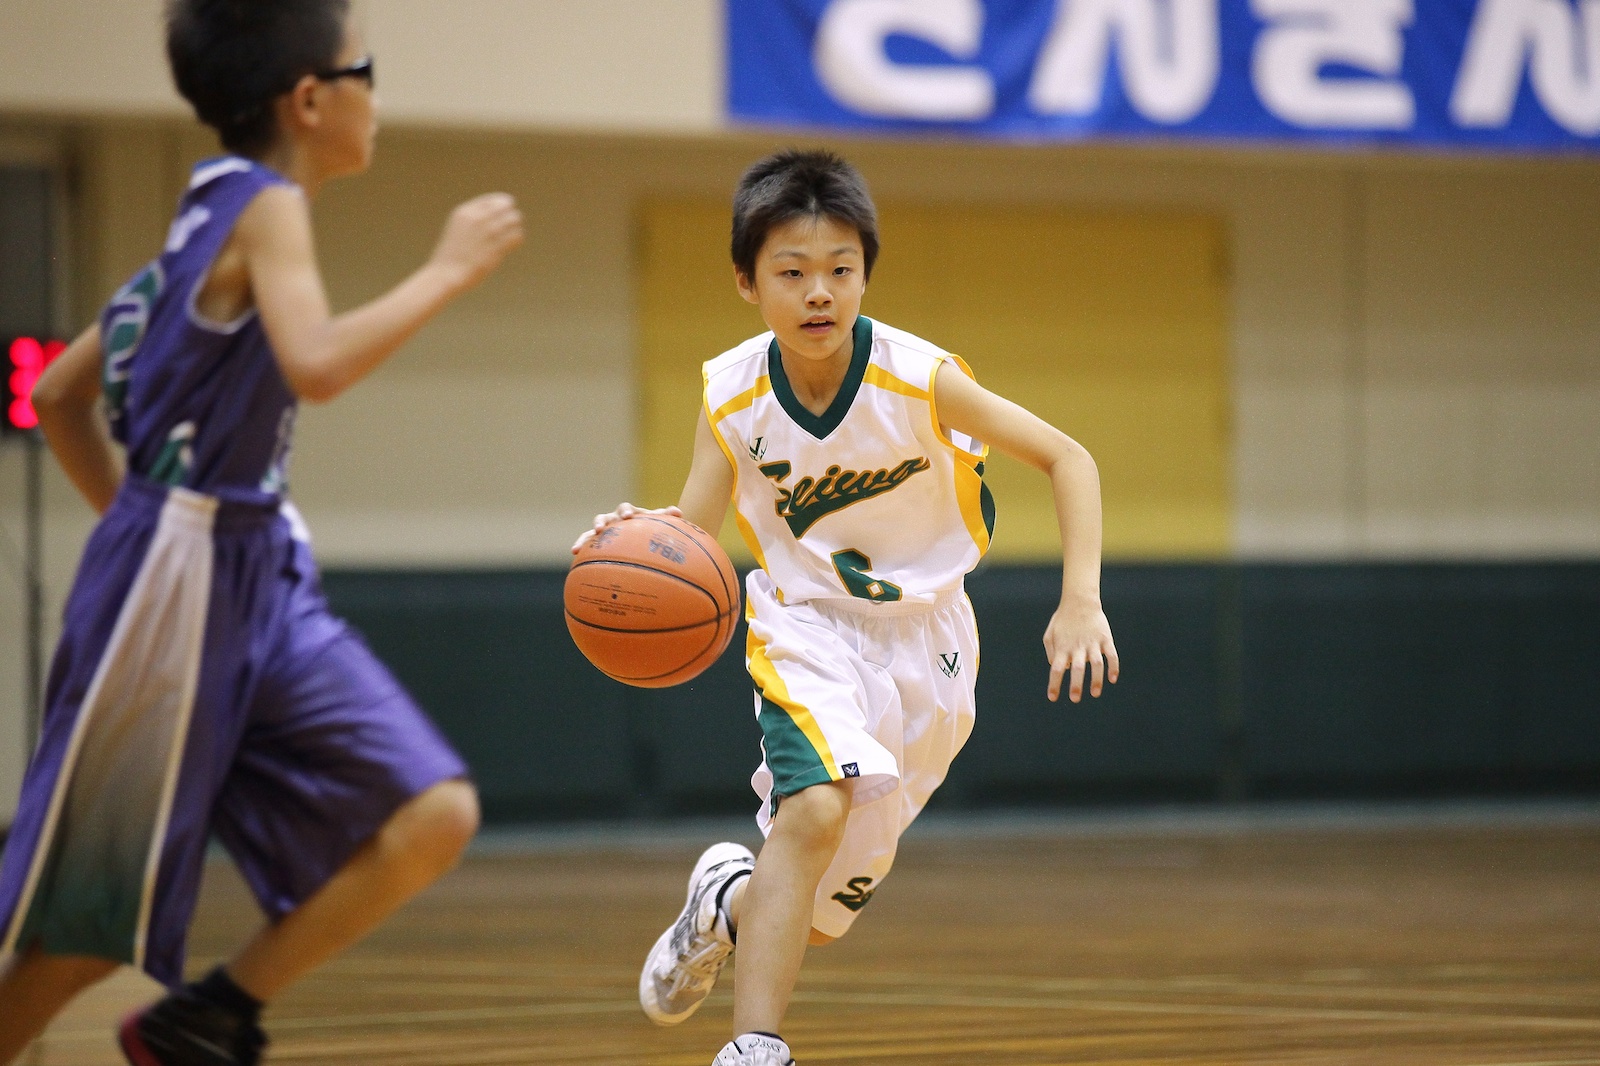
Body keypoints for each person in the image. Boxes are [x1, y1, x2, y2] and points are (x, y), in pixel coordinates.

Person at [0, 2, 523, 1063]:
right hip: (185, 580)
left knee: (432, 811)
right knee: (84, 933)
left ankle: (208, 1014)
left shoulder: (198, 219)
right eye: (365, 67)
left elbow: (57, 395)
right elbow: (315, 364)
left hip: (247, 570)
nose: (378, 91)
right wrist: (448, 270)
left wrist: (148, 523)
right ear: (310, 99)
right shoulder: (266, 206)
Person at [576, 149, 1119, 1066]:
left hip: (931, 643)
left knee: (815, 920)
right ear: (747, 282)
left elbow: (1071, 458)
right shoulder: (732, 394)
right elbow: (691, 534)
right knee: (815, 810)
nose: (819, 293)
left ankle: (725, 902)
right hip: (805, 626)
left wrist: (1081, 599)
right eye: (792, 273)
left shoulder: (920, 377)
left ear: (866, 273)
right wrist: (637, 543)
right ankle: (756, 1048)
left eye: (841, 269)